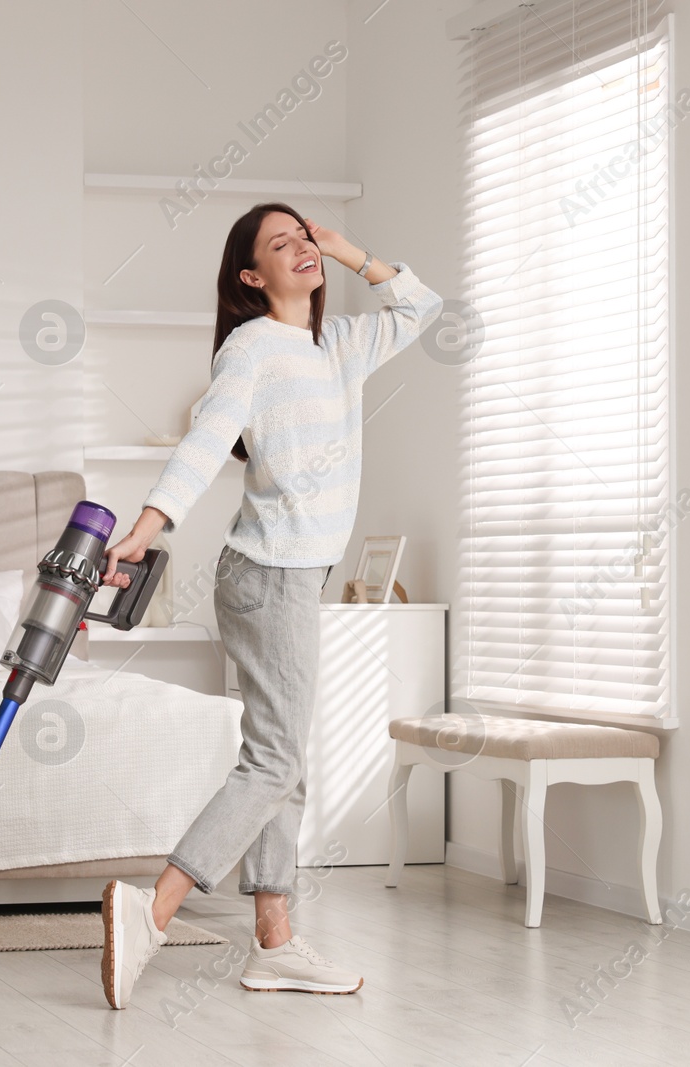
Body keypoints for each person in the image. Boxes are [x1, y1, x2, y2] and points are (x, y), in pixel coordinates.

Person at [96, 202, 443, 1009]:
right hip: (266, 577)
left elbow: (422, 307)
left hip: (295, 577)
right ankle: (154, 911)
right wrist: (148, 525)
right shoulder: (250, 348)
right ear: (252, 276)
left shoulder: (340, 345)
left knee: (284, 763)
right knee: (276, 762)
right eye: (281, 244)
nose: (302, 249)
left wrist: (349, 249)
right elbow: (206, 440)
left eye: (305, 236)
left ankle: (275, 944)